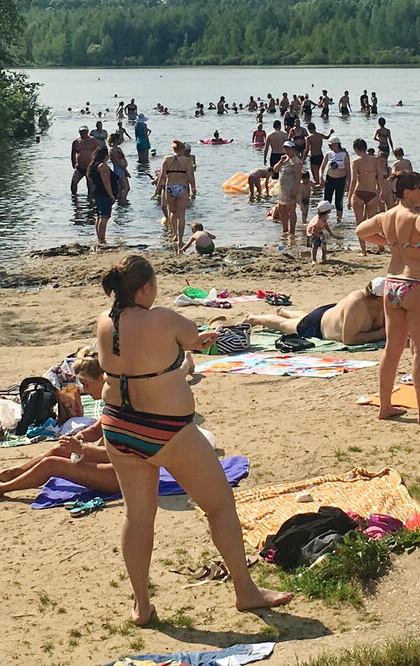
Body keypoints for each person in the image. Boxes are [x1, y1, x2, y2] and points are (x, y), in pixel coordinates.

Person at [95, 256, 292, 622]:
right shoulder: (162, 317)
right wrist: (201, 340)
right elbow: (195, 341)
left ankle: (141, 605)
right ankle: (246, 592)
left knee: (138, 517)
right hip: (166, 429)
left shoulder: (105, 321)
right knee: (219, 506)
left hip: (118, 426)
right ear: (144, 288)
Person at [356, 172, 420, 424]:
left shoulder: (386, 216)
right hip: (416, 285)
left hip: (392, 285)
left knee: (392, 349)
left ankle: (386, 407)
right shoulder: (416, 218)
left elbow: (361, 231)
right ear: (408, 191)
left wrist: (391, 244)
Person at [0, 353, 114, 502]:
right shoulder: (114, 403)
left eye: (86, 384)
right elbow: (95, 430)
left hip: (122, 474)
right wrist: (79, 438)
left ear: (102, 379)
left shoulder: (123, 408)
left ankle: (1, 489)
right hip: (115, 463)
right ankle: (15, 473)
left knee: (52, 464)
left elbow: (122, 454)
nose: (85, 391)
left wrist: (82, 449)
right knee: (59, 450)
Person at [249, 277, 389, 344]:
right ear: (377, 299)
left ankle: (286, 312)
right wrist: (382, 333)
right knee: (284, 325)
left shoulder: (377, 303)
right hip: (317, 326)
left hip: (330, 313)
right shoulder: (357, 305)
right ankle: (254, 318)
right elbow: (349, 339)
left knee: (304, 317)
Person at [155, 140, 196, 250]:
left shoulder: (166, 159)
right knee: (181, 215)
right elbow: (190, 176)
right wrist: (193, 188)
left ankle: (175, 235)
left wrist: (157, 190)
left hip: (170, 188)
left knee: (172, 212)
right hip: (182, 187)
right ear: (182, 149)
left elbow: (162, 176)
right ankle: (181, 240)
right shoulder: (187, 160)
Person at [350, 138, 385, 254]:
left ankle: (363, 250)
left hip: (359, 192)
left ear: (356, 149)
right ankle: (380, 246)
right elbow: (380, 177)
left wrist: (349, 196)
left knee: (360, 224)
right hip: (372, 193)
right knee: (373, 223)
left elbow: (354, 180)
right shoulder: (375, 160)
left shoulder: (355, 162)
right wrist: (382, 191)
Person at [270, 142, 303, 237]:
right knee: (281, 209)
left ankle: (292, 231)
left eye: (288, 148)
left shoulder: (296, 161)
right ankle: (285, 229)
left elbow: (298, 177)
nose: (287, 150)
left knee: (291, 210)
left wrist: (294, 189)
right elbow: (275, 170)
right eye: (285, 148)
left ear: (293, 149)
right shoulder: (284, 159)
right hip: (283, 189)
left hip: (291, 187)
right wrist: (280, 161)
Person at [89, 145, 116, 245]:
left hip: (97, 192)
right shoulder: (102, 166)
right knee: (104, 216)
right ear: (105, 155)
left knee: (99, 216)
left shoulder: (93, 165)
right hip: (104, 193)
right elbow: (106, 181)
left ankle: (100, 238)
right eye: (108, 155)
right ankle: (102, 239)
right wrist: (111, 194)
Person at [321, 136, 350, 223]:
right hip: (330, 179)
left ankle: (339, 220)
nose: (329, 146)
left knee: (338, 201)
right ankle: (324, 220)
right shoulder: (328, 154)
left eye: (331, 145)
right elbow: (322, 167)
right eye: (329, 145)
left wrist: (349, 183)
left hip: (340, 179)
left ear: (336, 144)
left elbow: (348, 170)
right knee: (327, 200)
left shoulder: (344, 155)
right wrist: (320, 177)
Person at [71, 126, 101, 195]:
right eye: (81, 131)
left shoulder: (93, 140)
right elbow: (73, 153)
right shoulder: (76, 142)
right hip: (80, 167)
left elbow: (99, 152)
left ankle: (90, 201)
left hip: (90, 167)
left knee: (90, 185)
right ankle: (74, 197)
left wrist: (97, 164)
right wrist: (73, 163)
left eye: (84, 131)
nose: (83, 133)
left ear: (87, 132)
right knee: (74, 182)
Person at [108, 133, 130, 203]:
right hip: (119, 170)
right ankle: (123, 201)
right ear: (116, 140)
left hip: (122, 169)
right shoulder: (112, 150)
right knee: (126, 187)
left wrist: (125, 163)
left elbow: (123, 158)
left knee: (120, 189)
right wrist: (126, 172)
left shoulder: (118, 148)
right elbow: (118, 162)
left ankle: (120, 202)